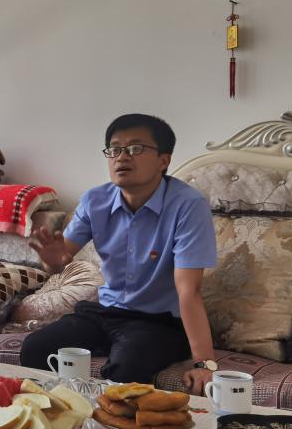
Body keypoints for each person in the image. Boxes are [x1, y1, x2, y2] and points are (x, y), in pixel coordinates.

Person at [20, 113, 219, 394]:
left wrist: (204, 364)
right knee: (35, 348)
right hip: (105, 313)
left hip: (158, 322)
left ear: (163, 160)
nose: (122, 157)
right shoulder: (95, 200)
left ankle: (106, 422)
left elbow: (189, 291)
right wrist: (53, 262)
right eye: (114, 149)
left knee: (127, 366)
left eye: (136, 148)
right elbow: (60, 257)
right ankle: (58, 416)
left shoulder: (188, 205)